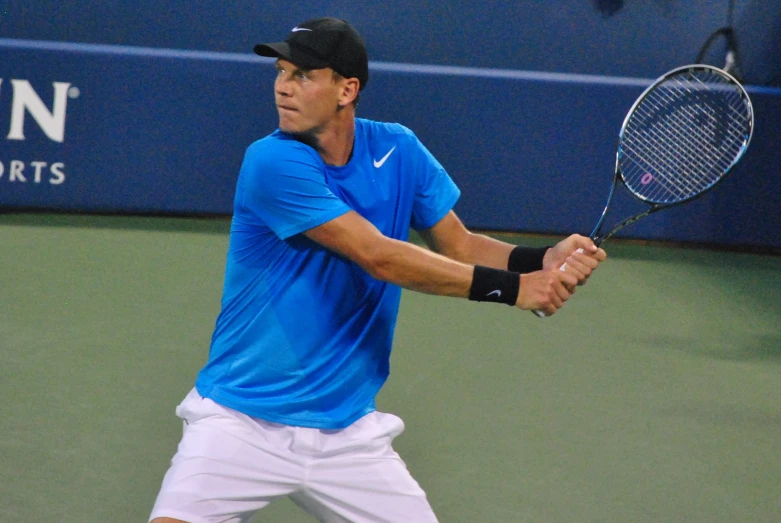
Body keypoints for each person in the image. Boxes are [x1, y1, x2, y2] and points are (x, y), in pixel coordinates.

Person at [149, 17, 606, 523]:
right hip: (241, 421)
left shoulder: (399, 148)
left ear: (347, 89)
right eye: (280, 72)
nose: (282, 86)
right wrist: (513, 290)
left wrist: (537, 259)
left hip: (347, 432)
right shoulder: (271, 161)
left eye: (302, 75)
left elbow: (460, 243)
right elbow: (377, 255)